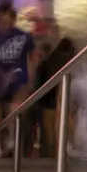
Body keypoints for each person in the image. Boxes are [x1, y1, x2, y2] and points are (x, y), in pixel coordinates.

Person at [0, 2, 36, 157]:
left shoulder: (23, 37)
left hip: (18, 81)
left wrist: (31, 80)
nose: (5, 24)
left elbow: (32, 57)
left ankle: (11, 139)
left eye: (8, 20)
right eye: (2, 20)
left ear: (14, 20)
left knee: (13, 110)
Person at [33, 16, 76, 157]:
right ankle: (58, 159)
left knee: (50, 135)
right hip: (59, 101)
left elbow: (38, 79)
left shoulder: (48, 61)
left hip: (46, 101)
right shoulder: (68, 63)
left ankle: (51, 157)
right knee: (60, 135)